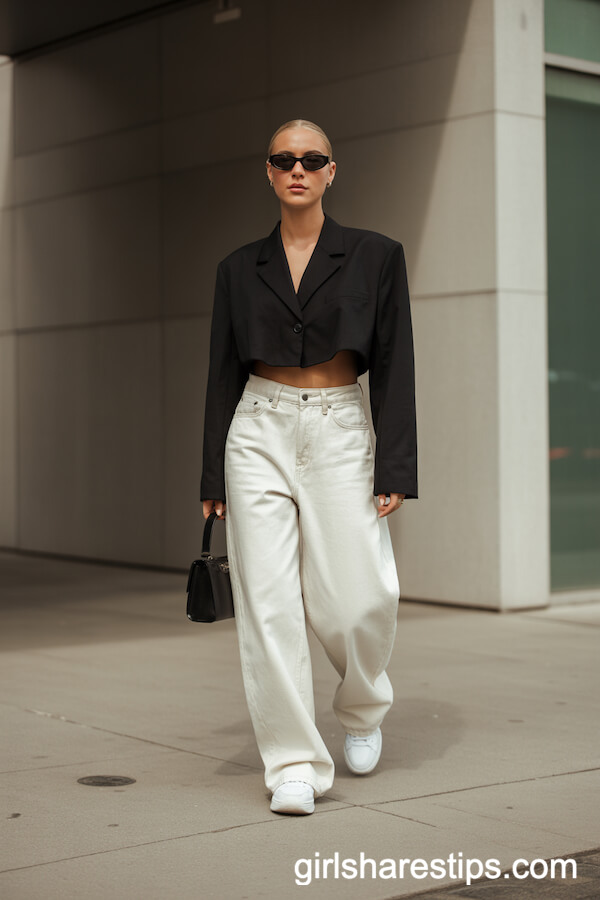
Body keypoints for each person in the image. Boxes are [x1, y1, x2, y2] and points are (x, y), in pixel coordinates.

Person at [200, 118, 417, 816]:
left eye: (311, 158)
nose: (298, 168)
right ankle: (293, 760)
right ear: (268, 172)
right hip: (257, 428)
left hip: (340, 429)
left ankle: (362, 706)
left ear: (332, 170)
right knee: (268, 606)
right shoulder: (238, 269)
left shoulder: (376, 256)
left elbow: (395, 364)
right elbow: (220, 374)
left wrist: (396, 463)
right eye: (284, 159)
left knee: (355, 597)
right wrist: (212, 475)